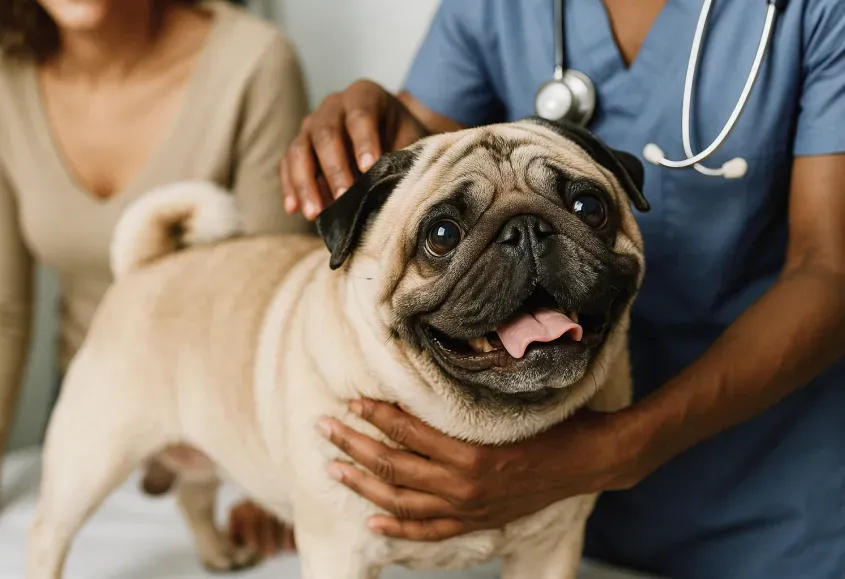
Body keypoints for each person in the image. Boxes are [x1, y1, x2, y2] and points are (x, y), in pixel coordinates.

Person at [275, 1, 845, 578]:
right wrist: (365, 129)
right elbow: (415, 174)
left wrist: (616, 450)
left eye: (583, 206)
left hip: (770, 509)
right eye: (449, 236)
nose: (527, 241)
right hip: (514, 511)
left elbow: (831, 269)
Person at [0, 0, 308, 557]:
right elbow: (3, 314)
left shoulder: (254, 61)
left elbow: (278, 291)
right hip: (90, 389)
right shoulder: (6, 78)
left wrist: (276, 485)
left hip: (234, 409)